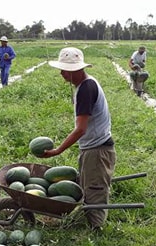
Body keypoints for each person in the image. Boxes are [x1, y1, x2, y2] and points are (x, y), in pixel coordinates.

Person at [45, 47, 116, 229]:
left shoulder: (86, 89)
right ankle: (88, 220)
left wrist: (57, 151)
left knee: (95, 190)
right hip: (93, 147)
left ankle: (96, 231)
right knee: (88, 186)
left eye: (63, 69)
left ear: (74, 70)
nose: (61, 73)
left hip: (97, 150)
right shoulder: (85, 84)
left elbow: (80, 129)